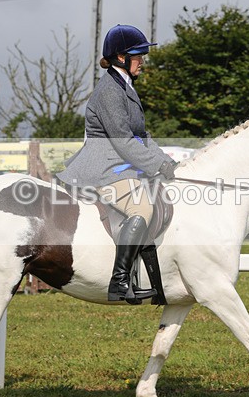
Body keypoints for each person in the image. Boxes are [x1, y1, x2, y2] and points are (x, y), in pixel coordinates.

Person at [57, 24, 177, 303]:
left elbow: (142, 136)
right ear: (121, 58)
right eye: (139, 56)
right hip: (104, 167)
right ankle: (120, 280)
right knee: (141, 206)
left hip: (120, 163)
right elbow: (123, 141)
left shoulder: (126, 87)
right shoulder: (110, 90)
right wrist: (157, 166)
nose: (143, 62)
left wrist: (167, 162)